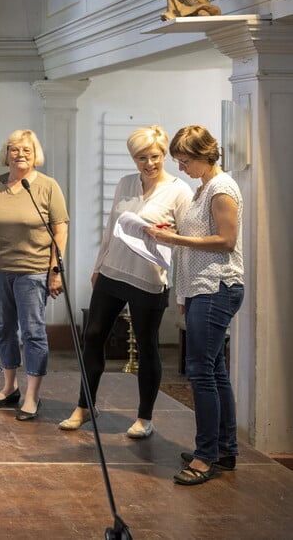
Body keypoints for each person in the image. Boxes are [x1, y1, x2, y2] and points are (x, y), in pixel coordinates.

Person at [59, 126, 192, 438]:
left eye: (155, 156)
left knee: (148, 346)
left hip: (149, 278)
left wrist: (183, 292)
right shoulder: (125, 183)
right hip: (113, 271)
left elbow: (186, 242)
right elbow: (110, 228)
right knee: (93, 336)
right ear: (134, 159)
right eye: (142, 158)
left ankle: (144, 418)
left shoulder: (179, 190)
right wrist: (98, 265)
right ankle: (85, 405)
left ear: (164, 156)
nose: (149, 163)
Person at [144, 125, 243, 486]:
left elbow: (226, 241)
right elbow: (202, 235)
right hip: (202, 288)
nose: (181, 168)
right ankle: (225, 449)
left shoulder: (221, 188)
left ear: (203, 156)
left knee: (200, 372)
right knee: (214, 371)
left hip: (216, 287)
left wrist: (174, 237)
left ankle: (205, 456)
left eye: (185, 161)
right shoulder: (204, 188)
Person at [0, 129, 68, 422]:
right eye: (14, 149)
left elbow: (60, 230)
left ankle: (31, 395)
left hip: (33, 271)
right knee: (3, 329)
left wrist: (55, 271)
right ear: (7, 153)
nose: (20, 154)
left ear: (35, 152)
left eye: (26, 149)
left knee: (33, 332)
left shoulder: (47, 186)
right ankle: (9, 386)